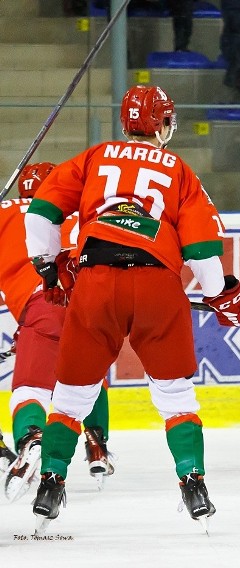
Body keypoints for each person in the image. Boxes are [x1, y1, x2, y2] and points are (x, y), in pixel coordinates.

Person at [23, 85, 240, 532]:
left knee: (70, 399)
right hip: (157, 287)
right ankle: (194, 484)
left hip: (95, 284)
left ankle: (50, 483)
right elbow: (203, 251)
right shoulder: (181, 172)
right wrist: (222, 295)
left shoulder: (94, 158)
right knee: (176, 399)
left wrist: (50, 269)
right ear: (165, 124)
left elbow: (41, 213)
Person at [0, 163, 113, 503]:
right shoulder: (83, 214)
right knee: (87, 378)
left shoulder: (6, 215)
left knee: (29, 389)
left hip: (42, 306)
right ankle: (97, 443)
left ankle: (33, 437)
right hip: (91, 305)